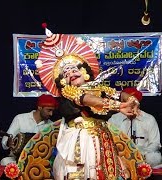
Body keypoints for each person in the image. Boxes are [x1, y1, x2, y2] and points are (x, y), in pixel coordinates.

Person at [35, 26, 151, 179]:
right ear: (63, 80)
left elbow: (119, 94)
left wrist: (131, 100)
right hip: (80, 139)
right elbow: (86, 99)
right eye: (66, 74)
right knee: (80, 172)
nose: (71, 73)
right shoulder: (69, 92)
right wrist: (118, 106)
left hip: (102, 137)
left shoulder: (99, 88)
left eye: (74, 69)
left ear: (84, 71)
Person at [109, 87, 162, 167]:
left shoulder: (149, 119)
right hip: (121, 155)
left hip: (144, 155)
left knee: (154, 158)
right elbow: (110, 141)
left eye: (133, 104)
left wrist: (141, 154)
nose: (130, 106)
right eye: (127, 103)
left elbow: (155, 143)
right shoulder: (114, 119)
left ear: (138, 103)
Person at [0, 94, 58, 165]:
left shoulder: (51, 126)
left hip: (39, 162)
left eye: (52, 111)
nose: (51, 114)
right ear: (39, 107)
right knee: (5, 162)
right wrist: (8, 143)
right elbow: (5, 141)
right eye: (49, 110)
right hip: (18, 159)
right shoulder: (20, 119)